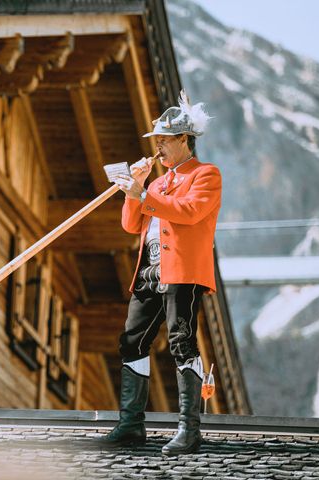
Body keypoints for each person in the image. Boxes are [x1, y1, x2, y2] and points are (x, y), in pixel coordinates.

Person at [103, 91, 220, 456]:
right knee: (131, 340)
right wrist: (132, 191)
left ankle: (189, 428)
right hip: (149, 267)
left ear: (185, 139)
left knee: (181, 340)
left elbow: (188, 212)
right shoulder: (156, 182)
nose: (159, 147)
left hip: (182, 269)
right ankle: (131, 423)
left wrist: (145, 193)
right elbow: (130, 224)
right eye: (156, 141)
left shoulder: (206, 174)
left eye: (165, 140)